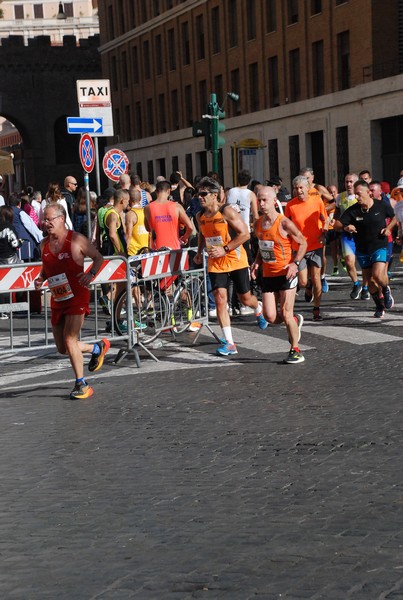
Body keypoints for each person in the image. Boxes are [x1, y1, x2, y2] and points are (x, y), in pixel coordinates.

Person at [34, 203, 109, 399]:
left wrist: (91, 274)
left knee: (70, 339)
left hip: (77, 295)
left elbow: (98, 258)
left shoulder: (76, 239)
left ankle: (81, 384)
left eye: (50, 219)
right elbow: (47, 264)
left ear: (61, 218)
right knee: (62, 347)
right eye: (45, 219)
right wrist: (41, 277)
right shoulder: (43, 244)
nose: (46, 223)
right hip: (58, 298)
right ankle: (96, 348)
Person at [193, 177, 267, 356]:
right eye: (198, 194)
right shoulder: (200, 216)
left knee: (245, 299)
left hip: (235, 259)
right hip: (216, 263)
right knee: (220, 299)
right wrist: (198, 251)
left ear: (215, 195)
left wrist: (225, 249)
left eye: (204, 194)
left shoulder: (227, 212)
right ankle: (230, 343)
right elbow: (203, 235)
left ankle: (258, 308)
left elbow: (245, 235)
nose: (200, 198)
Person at [252, 186, 307, 363]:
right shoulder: (258, 223)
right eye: (259, 200)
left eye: (264, 200)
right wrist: (256, 262)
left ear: (274, 201)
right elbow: (263, 246)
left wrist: (295, 263)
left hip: (286, 273)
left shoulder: (284, 223)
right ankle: (294, 321)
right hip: (268, 274)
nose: (261, 204)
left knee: (285, 311)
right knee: (270, 316)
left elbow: (303, 243)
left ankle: (295, 349)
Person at [334, 179, 397, 318]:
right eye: (355, 194)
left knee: (378, 275)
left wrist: (388, 228)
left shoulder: (381, 205)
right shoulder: (353, 210)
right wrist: (346, 227)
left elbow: (394, 217)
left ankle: (386, 290)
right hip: (362, 249)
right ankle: (379, 306)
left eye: (359, 194)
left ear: (369, 192)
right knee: (370, 282)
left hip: (379, 245)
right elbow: (336, 225)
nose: (356, 197)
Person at [285, 175, 327, 321]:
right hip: (299, 247)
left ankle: (316, 309)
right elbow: (286, 226)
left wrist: (324, 234)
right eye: (296, 188)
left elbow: (325, 219)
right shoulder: (290, 205)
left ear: (308, 188)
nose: (299, 191)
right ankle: (307, 286)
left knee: (317, 278)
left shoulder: (317, 201)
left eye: (301, 188)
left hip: (315, 245)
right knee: (302, 282)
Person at [333, 173, 364, 299]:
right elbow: (336, 213)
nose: (348, 184)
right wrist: (336, 223)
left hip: (362, 234)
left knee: (365, 263)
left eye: (351, 182)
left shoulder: (361, 196)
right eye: (346, 182)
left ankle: (366, 287)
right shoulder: (340, 197)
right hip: (347, 235)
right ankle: (356, 284)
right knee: (349, 262)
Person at [144, 179, 193, 250]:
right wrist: (184, 238)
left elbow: (148, 228)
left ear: (156, 191)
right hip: (174, 249)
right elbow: (190, 227)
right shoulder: (177, 206)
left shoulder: (148, 207)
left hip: (156, 250)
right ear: (168, 191)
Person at [8, 193, 43, 261]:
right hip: (26, 248)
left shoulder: (5, 212)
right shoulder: (20, 212)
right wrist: (41, 239)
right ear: (20, 203)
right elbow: (31, 227)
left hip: (11, 248)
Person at [125, 188, 150, 256]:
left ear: (130, 200)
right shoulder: (146, 212)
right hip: (146, 250)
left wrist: (124, 251)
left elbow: (128, 235)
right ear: (140, 198)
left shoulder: (130, 214)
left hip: (133, 252)